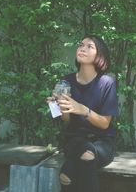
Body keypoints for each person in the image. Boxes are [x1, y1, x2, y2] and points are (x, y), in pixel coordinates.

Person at [47, 35, 119, 192]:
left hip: (102, 142)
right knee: (75, 166)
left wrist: (81, 109)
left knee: (70, 171)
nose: (82, 48)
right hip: (75, 140)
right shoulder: (66, 81)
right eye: (81, 45)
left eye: (89, 46)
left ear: (99, 56)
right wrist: (57, 106)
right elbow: (65, 121)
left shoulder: (107, 82)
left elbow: (105, 123)